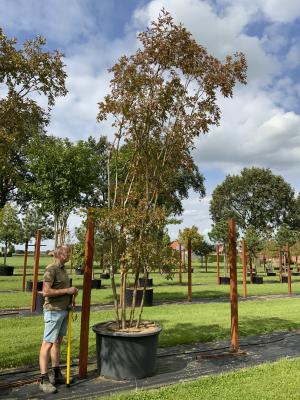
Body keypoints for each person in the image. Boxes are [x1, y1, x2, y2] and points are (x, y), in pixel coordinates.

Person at [39, 245, 79, 394]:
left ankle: (56, 374)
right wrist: (67, 290)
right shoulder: (51, 269)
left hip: (63, 311)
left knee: (57, 342)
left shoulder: (62, 269)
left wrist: (72, 295)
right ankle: (43, 379)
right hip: (53, 312)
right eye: (68, 252)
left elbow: (63, 290)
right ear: (60, 254)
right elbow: (45, 292)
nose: (69, 255)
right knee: (47, 344)